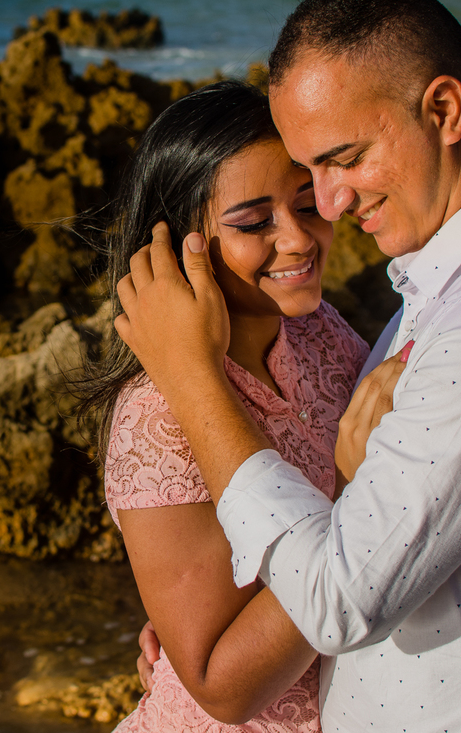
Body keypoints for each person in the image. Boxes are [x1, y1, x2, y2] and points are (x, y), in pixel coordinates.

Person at [114, 0, 461, 731]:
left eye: (345, 160)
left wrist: (195, 379)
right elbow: (460, 485)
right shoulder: (443, 284)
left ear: (444, 111)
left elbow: (338, 592)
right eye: (306, 177)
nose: (326, 209)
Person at [81, 78, 370, 730]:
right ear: (177, 246)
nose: (298, 240)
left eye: (308, 204)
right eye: (253, 222)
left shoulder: (319, 331)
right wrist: (361, 503)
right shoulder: (155, 416)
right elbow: (222, 686)